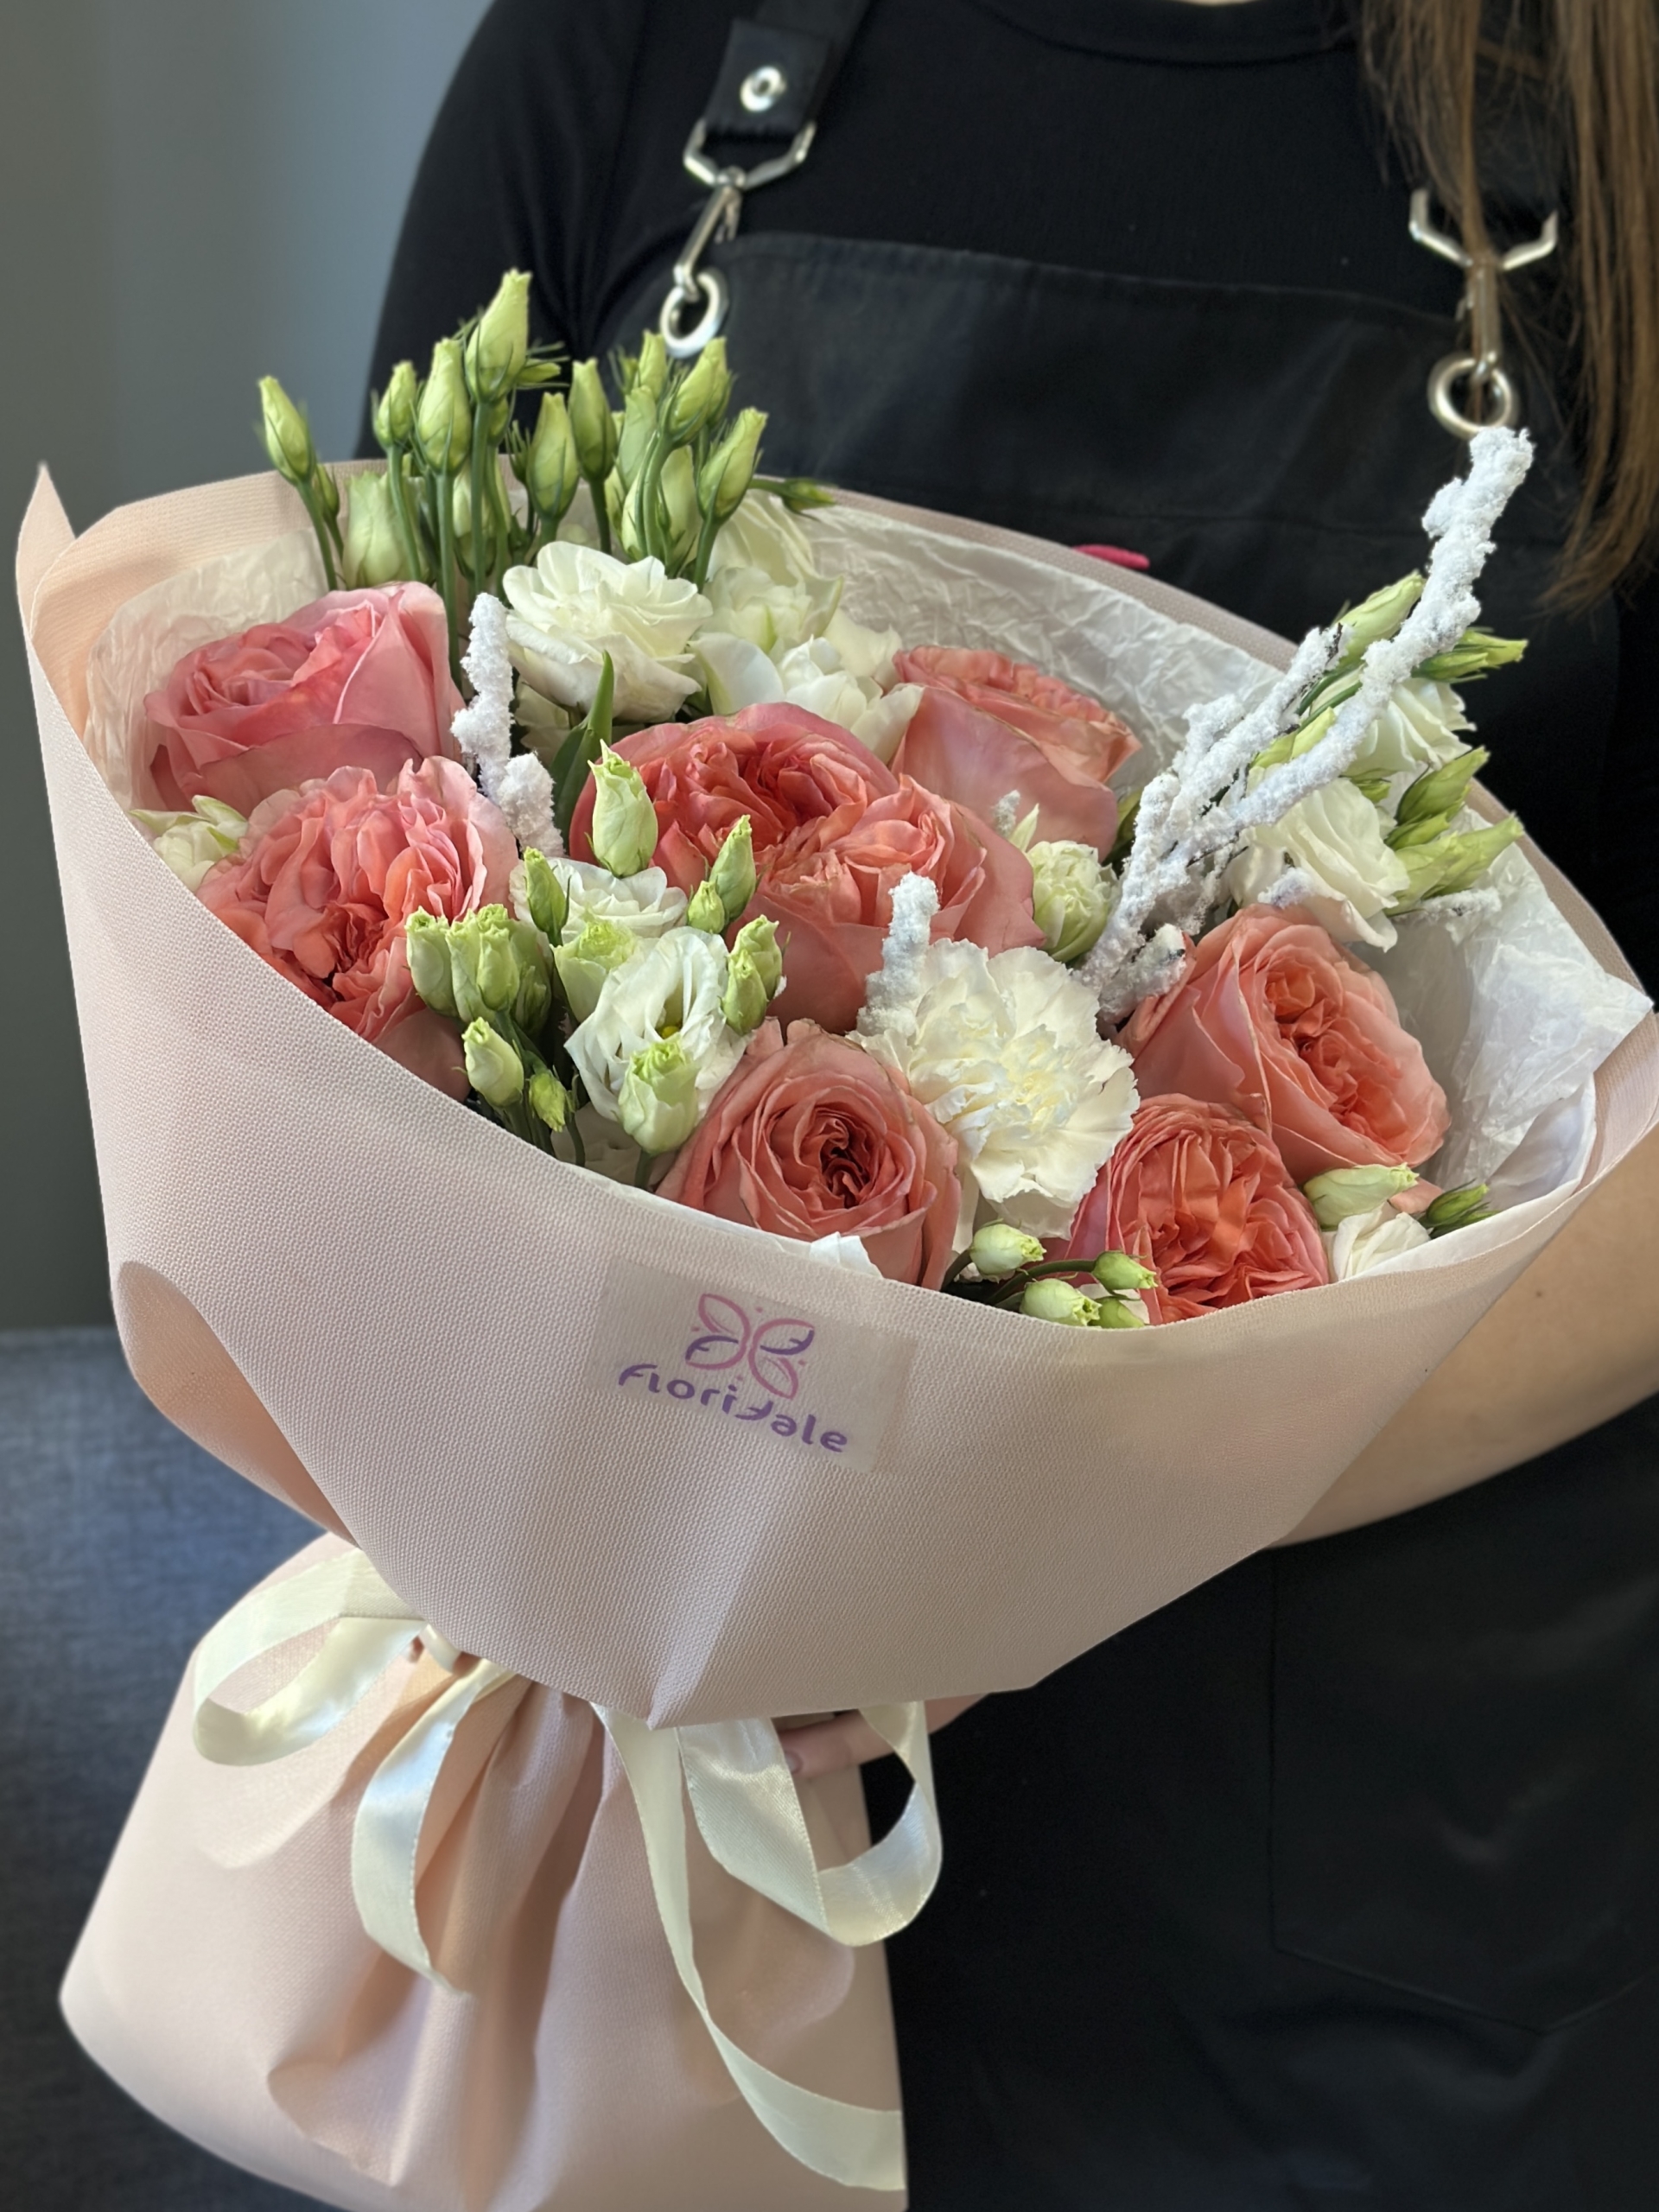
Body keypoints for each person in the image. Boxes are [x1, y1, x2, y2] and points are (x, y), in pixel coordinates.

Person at [367, 1, 1659, 2202]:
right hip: (692, 1799)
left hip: (1380, 1896)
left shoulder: (1610, 127)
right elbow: (381, 905)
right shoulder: (627, 59)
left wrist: (1033, 1508)